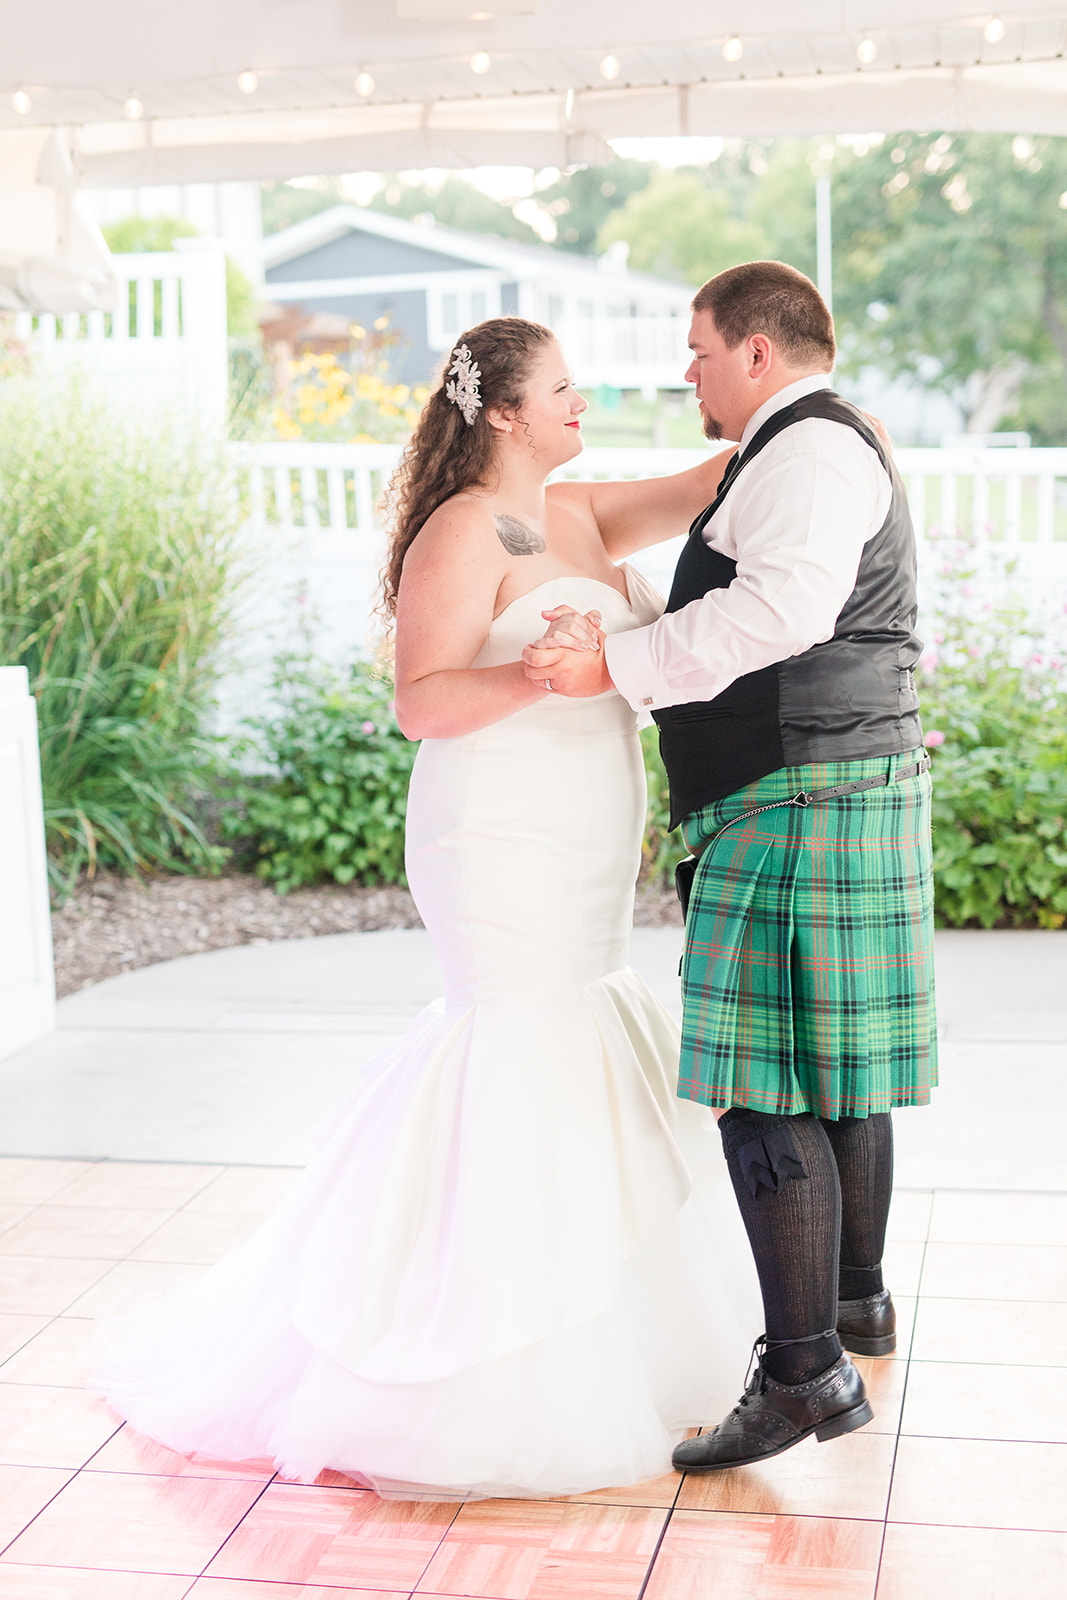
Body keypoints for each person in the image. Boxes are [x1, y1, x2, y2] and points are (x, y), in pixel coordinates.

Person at [91, 316, 761, 1500]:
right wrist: (534, 673)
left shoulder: (586, 512)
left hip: (587, 832)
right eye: (561, 386)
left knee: (589, 1025)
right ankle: (477, 1362)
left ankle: (630, 1340)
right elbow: (420, 700)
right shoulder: (459, 532)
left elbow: (721, 473)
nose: (582, 399)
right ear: (500, 410)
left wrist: (808, 404)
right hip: (494, 833)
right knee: (519, 1038)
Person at [523, 262, 938, 1472]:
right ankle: (851, 1301)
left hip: (794, 786)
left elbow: (781, 614)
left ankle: (802, 1368)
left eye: (696, 351)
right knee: (837, 1065)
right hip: (832, 778)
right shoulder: (812, 441)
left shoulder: (803, 451)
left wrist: (618, 661)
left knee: (763, 1082)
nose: (686, 372)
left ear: (755, 352)